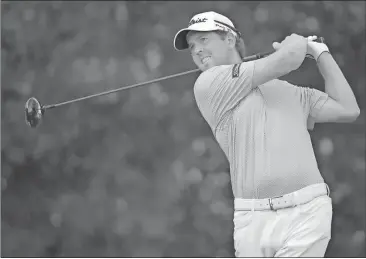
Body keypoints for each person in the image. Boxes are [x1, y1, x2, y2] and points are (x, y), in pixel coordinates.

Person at [173, 11, 360, 257]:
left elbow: (347, 108)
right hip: (252, 220)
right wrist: (297, 43)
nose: (196, 50)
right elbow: (288, 59)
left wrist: (319, 52)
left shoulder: (292, 92)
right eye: (192, 47)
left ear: (229, 39)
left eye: (203, 40)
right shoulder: (209, 84)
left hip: (307, 212)